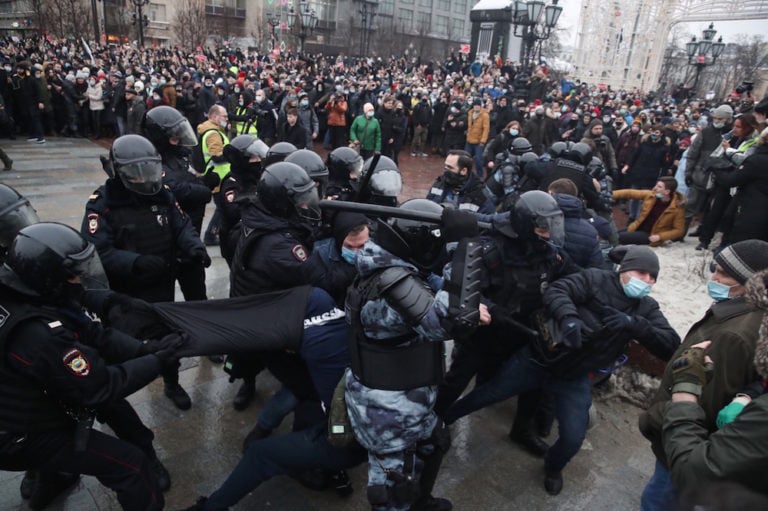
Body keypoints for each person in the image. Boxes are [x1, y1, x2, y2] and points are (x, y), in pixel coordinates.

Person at [443, 245, 679, 495]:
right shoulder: (595, 278)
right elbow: (558, 290)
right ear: (626, 268)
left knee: (573, 436)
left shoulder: (646, 308)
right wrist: (569, 318)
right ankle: (442, 421)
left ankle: (553, 467)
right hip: (538, 360)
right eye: (642, 273)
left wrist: (636, 325)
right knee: (487, 394)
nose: (648, 280)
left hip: (573, 377)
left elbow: (671, 345)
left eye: (653, 277)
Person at [0, 222, 185, 510]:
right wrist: (157, 361)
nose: (79, 279)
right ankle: (50, 474)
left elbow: (94, 333)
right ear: (49, 278)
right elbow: (100, 387)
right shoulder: (40, 334)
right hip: (19, 434)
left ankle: (53, 480)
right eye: (72, 275)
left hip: (29, 394)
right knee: (131, 467)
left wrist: (143, 349)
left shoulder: (29, 293)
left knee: (111, 410)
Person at [345, 199, 488, 511]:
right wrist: (462, 247)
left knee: (436, 444)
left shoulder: (385, 265)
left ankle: (421, 501)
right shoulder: (393, 284)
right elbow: (452, 322)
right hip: (389, 414)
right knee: (394, 495)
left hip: (407, 400)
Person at [81, 134, 210, 411]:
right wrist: (134, 261)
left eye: (148, 172)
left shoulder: (162, 194)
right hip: (127, 291)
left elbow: (182, 225)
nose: (144, 180)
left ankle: (172, 382)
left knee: (167, 340)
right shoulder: (102, 205)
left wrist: (194, 247)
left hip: (161, 283)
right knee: (120, 343)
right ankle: (113, 394)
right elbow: (96, 251)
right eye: (135, 175)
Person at [639, 239, 768, 511]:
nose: (714, 277)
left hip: (678, 447)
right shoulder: (736, 311)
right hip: (682, 441)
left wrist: (653, 418)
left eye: (723, 273)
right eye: (714, 268)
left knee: (657, 502)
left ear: (749, 283)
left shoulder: (733, 335)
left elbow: (706, 405)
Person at [708, 125, 768, 249]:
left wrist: (716, 170)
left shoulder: (757, 161)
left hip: (749, 211)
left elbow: (731, 180)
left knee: (737, 249)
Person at [217, 134, 269, 266]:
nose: (258, 160)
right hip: (234, 241)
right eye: (253, 157)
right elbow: (234, 211)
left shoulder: (253, 178)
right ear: (241, 159)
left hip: (250, 238)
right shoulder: (232, 183)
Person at [684, 104, 734, 237]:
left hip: (720, 177)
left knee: (711, 208)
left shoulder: (732, 135)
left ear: (728, 120)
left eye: (720, 119)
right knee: (691, 205)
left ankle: (703, 231)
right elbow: (693, 153)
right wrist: (688, 172)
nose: (716, 121)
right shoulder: (705, 132)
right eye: (715, 118)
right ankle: (681, 231)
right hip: (700, 175)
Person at [547, 178, 605, 269]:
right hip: (576, 280)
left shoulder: (539, 223)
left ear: (550, 193)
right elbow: (596, 270)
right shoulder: (591, 231)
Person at [612, 177, 685, 246]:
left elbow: (679, 230)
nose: (655, 188)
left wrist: (660, 236)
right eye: (656, 185)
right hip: (637, 227)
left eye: (659, 187)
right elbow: (630, 193)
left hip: (650, 235)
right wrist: (610, 194)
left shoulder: (677, 208)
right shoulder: (651, 195)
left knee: (618, 237)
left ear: (667, 191)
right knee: (612, 234)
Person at [621, 124, 671, 221]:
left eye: (656, 132)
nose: (653, 134)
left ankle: (639, 218)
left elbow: (665, 165)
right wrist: (628, 166)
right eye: (652, 131)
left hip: (651, 177)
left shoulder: (664, 148)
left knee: (644, 199)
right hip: (638, 174)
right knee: (634, 197)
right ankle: (632, 216)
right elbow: (634, 156)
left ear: (661, 134)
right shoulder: (644, 143)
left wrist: (662, 180)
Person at [426, 149, 495, 214]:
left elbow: (487, 220)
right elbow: (427, 206)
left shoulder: (480, 194)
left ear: (463, 171)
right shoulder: (439, 183)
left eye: (450, 167)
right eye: (445, 166)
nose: (445, 170)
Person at [464, 98, 490, 177]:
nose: (476, 107)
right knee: (466, 159)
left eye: (478, 105)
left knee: (478, 160)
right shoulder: (470, 113)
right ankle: (466, 174)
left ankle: (480, 176)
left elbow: (486, 129)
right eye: (475, 105)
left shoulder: (484, 115)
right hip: (469, 140)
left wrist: (483, 141)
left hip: (478, 141)